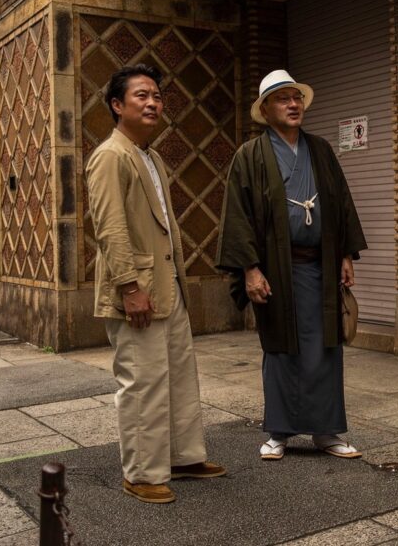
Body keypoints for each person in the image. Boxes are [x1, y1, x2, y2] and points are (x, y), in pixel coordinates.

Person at [85, 64, 225, 504]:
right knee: (143, 382)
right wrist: (129, 286)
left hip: (167, 287)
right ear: (116, 105)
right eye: (141, 95)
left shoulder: (150, 155)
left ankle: (182, 457)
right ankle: (142, 473)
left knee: (179, 375)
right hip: (137, 290)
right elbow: (109, 227)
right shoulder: (111, 155)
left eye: (157, 96)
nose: (152, 103)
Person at [216, 69, 367, 461]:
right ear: (265, 110)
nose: (293, 105)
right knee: (281, 349)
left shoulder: (320, 150)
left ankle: (327, 432)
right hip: (277, 270)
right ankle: (279, 431)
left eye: (296, 98)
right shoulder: (249, 156)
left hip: (320, 266)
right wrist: (250, 268)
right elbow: (238, 215)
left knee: (325, 348)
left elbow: (340, 202)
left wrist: (346, 255)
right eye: (283, 99)